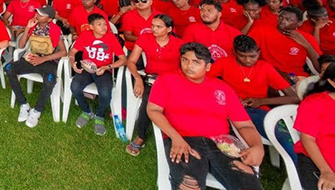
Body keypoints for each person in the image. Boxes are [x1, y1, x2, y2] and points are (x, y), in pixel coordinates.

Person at [147, 43, 265, 190]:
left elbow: (245, 124)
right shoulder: (167, 80)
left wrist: (258, 147)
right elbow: (153, 110)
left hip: (221, 144)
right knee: (189, 184)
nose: (189, 66)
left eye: (196, 62)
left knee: (248, 183)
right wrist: (175, 137)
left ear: (208, 67)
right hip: (184, 141)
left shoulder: (222, 88)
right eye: (185, 60)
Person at [209, 35, 299, 160]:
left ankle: (300, 168)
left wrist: (261, 101)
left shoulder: (265, 67)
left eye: (252, 56)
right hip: (232, 110)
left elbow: (294, 98)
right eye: (242, 56)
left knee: (285, 138)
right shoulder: (224, 63)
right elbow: (204, 83)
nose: (248, 60)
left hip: (259, 111)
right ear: (234, 52)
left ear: (259, 52)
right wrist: (229, 99)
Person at [125, 14, 183, 156]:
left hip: (172, 81)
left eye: (159, 27)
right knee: (148, 101)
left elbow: (184, 68)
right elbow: (131, 61)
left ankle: (175, 135)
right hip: (152, 79)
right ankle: (141, 136)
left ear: (169, 29)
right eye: (152, 26)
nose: (154, 29)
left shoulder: (179, 44)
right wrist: (138, 78)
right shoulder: (145, 38)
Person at [5, 6, 67, 128]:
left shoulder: (55, 30)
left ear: (49, 19)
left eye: (41, 14)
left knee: (50, 80)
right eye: (37, 13)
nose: (37, 15)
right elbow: (21, 45)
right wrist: (27, 28)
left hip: (48, 60)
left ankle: (37, 110)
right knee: (9, 68)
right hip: (32, 57)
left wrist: (43, 59)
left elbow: (63, 52)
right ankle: (23, 104)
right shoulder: (33, 26)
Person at [69, 13, 126, 136]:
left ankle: (99, 115)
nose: (104, 27)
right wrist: (73, 63)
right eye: (99, 25)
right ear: (91, 27)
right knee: (75, 87)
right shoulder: (85, 35)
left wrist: (107, 67)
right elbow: (73, 52)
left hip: (103, 70)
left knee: (105, 93)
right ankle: (86, 110)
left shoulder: (111, 38)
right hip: (87, 69)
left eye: (105, 24)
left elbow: (123, 59)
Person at [248, 6, 321, 82]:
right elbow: (247, 55)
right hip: (267, 74)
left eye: (288, 20)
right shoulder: (261, 30)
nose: (282, 21)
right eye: (280, 17)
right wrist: (280, 74)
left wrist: (306, 45)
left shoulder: (307, 38)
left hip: (296, 77)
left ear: (299, 23)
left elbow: (320, 68)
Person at [294, 61, 335, 190]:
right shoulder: (314, 103)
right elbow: (308, 139)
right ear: (332, 82)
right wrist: (326, 171)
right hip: (317, 161)